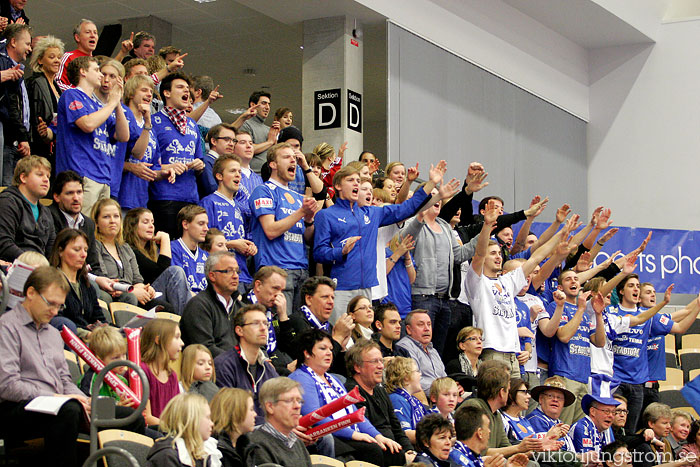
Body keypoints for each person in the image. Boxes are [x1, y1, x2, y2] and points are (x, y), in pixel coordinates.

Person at [314, 162, 451, 323]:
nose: (356, 183)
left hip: (367, 289)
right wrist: (340, 251)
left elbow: (407, 208)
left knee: (363, 339)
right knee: (341, 336)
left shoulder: (372, 213)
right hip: (342, 287)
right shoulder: (326, 215)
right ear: (337, 185)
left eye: (358, 181)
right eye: (351, 180)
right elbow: (318, 253)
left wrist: (431, 184)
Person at [0, 266, 91, 467]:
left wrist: (85, 401)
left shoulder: (52, 333)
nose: (55, 311)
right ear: (31, 293)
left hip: (56, 404)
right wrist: (58, 398)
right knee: (69, 409)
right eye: (50, 303)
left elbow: (64, 379)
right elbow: (7, 386)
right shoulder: (6, 327)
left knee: (126, 416)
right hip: (14, 408)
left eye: (59, 306)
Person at [289, 328, 390, 465]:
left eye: (331, 349)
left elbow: (355, 413)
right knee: (372, 450)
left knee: (391, 451)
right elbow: (315, 417)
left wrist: (378, 435)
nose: (329, 353)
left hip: (345, 434)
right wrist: (353, 434)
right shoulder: (301, 378)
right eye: (323, 348)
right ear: (306, 353)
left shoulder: (334, 379)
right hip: (325, 436)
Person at [56, 55, 129, 215]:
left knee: (98, 232)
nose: (101, 75)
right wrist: (110, 104)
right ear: (83, 72)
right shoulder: (71, 94)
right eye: (96, 70)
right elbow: (87, 124)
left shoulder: (98, 105)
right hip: (81, 174)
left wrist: (116, 103)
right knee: (82, 228)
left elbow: (123, 136)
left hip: (103, 175)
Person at [249, 142, 316, 314]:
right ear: (273, 164)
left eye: (294, 158)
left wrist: (308, 220)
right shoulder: (263, 191)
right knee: (279, 329)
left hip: (302, 269)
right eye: (286, 157)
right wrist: (302, 212)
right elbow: (270, 230)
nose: (293, 161)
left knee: (298, 332)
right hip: (276, 270)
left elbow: (307, 238)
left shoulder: (298, 197)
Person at [148, 72, 205, 237]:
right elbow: (147, 163)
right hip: (164, 197)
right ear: (166, 93)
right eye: (180, 87)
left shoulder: (192, 124)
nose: (186, 91)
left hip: (191, 198)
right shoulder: (153, 122)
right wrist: (168, 167)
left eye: (187, 88)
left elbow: (199, 159)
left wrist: (199, 165)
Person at [93, 199, 173, 311]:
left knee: (166, 308)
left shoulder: (125, 248)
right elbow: (102, 278)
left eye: (116, 216)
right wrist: (131, 290)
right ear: (96, 222)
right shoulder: (95, 246)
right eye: (106, 217)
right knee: (129, 298)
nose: (112, 221)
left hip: (132, 294)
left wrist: (146, 289)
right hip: (114, 294)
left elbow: (137, 279)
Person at [345, 339, 413, 466]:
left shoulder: (380, 390)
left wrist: (409, 450)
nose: (381, 366)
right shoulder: (351, 392)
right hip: (378, 450)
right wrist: (403, 456)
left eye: (381, 361)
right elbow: (365, 430)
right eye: (374, 361)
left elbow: (397, 428)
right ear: (357, 367)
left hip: (395, 449)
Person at [459, 360, 543, 457]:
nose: (509, 393)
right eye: (508, 389)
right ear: (501, 392)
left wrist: (532, 450)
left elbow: (505, 446)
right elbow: (477, 452)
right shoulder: (474, 407)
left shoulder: (497, 414)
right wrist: (518, 448)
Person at [118, 74, 175, 212]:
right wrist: (130, 167)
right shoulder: (122, 117)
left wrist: (164, 173)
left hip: (141, 200)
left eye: (151, 91)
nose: (149, 94)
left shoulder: (150, 129)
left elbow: (153, 168)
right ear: (131, 93)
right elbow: (109, 156)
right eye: (144, 90)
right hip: (120, 197)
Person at [200, 153, 257, 289]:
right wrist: (232, 245)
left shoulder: (238, 206)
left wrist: (250, 247)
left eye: (239, 171)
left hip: (242, 272)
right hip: (221, 273)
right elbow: (203, 242)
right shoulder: (209, 202)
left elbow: (242, 238)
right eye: (232, 171)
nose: (238, 175)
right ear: (219, 176)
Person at [214, 304, 279, 423]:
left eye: (265, 323)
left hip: (267, 434)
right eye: (256, 323)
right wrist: (275, 424)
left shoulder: (268, 369)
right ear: (239, 330)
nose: (263, 328)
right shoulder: (224, 365)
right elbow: (231, 416)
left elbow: (281, 405)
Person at [279, 275, 354, 376]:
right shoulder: (298, 321)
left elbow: (337, 370)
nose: (331, 302)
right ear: (309, 299)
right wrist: (338, 338)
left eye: (332, 298)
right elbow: (315, 361)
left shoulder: (329, 327)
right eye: (325, 297)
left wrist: (342, 349)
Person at [122, 207, 192, 315]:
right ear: (132, 226)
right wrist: (165, 239)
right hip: (142, 297)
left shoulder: (150, 252)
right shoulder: (130, 250)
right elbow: (162, 272)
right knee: (175, 272)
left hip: (155, 294)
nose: (151, 226)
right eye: (145, 222)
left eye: (152, 222)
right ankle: (186, 324)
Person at [181, 251, 243, 357]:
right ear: (212, 276)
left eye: (237, 271)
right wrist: (239, 361)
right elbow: (205, 348)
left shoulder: (241, 308)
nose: (235, 276)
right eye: (228, 271)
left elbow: (255, 343)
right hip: (213, 369)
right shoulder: (198, 305)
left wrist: (262, 358)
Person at [48, 228, 105, 337]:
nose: (83, 255)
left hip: (94, 339)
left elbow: (99, 318)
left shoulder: (87, 286)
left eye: (85, 250)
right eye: (77, 249)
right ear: (60, 251)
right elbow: (57, 321)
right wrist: (88, 334)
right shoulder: (52, 282)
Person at [245, 377, 312, 467]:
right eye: (289, 401)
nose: (297, 406)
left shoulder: (297, 442)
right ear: (270, 407)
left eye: (299, 401)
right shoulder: (257, 445)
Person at [0, 155, 55, 261]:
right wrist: (33, 264)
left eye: (48, 176)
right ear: (23, 177)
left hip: (39, 271)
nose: (46, 180)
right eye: (40, 175)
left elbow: (51, 251)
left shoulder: (47, 213)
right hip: (12, 267)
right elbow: (4, 243)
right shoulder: (7, 202)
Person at [145, 393, 222, 467]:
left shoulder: (203, 452)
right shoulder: (166, 456)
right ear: (192, 420)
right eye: (207, 418)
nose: (212, 424)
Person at [242, 266, 294, 373]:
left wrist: (283, 316)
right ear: (258, 285)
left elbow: (290, 349)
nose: (279, 295)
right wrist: (285, 369)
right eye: (275, 288)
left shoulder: (273, 310)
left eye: (282, 291)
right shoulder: (243, 308)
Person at [49, 170, 101, 274]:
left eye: (79, 192)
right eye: (69, 193)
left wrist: (102, 280)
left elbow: (93, 263)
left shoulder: (88, 223)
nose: (76, 198)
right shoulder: (48, 216)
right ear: (56, 197)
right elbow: (53, 259)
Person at [0, 23, 32, 185]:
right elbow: (11, 107)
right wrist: (21, 136)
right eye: (27, 44)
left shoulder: (15, 68)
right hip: (7, 139)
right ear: (13, 42)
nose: (30, 49)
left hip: (13, 140)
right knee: (5, 191)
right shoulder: (4, 64)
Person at [451, 405, 529, 467]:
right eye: (488, 427)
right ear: (480, 433)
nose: (489, 431)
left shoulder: (472, 457)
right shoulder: (457, 460)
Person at [140, 318, 184, 427]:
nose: (182, 343)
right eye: (177, 337)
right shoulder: (141, 371)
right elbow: (147, 418)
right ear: (158, 340)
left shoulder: (172, 375)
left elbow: (177, 414)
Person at [26, 35, 63, 162]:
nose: (57, 60)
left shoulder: (57, 87)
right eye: (51, 57)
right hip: (40, 146)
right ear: (40, 60)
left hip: (54, 144)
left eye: (59, 57)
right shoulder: (36, 82)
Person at [396, 310, 447, 393]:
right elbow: (415, 380)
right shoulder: (405, 347)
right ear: (408, 329)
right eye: (421, 324)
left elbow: (444, 377)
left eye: (429, 324)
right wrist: (444, 390)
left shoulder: (433, 351)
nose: (426, 329)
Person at [569, 377, 619, 455]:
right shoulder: (581, 428)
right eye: (607, 411)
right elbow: (590, 461)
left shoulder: (608, 430)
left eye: (613, 412)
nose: (611, 416)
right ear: (593, 411)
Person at [525, 376, 575, 452]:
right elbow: (544, 452)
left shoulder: (559, 422)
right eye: (550, 396)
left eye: (559, 397)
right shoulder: (535, 419)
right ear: (541, 399)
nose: (555, 400)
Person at [386, 357, 428, 444]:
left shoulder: (414, 400)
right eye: (416, 371)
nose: (420, 374)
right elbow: (405, 434)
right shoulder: (397, 400)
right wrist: (435, 437)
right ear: (406, 377)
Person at [210, 388, 257, 467]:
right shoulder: (212, 447)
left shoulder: (245, 445)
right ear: (236, 412)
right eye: (251, 409)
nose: (255, 414)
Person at [171, 204, 209, 294]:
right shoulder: (171, 249)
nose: (206, 229)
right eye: (201, 224)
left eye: (207, 224)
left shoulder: (206, 256)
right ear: (185, 224)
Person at [239, 90, 277, 172]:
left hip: (269, 175)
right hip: (253, 174)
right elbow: (247, 149)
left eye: (269, 104)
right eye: (264, 103)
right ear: (253, 105)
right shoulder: (245, 124)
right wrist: (269, 142)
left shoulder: (268, 129)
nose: (267, 107)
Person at [57, 19, 98, 91]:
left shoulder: (96, 63)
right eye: (88, 32)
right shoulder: (68, 57)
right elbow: (58, 83)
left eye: (95, 33)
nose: (93, 35)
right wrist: (79, 94)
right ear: (77, 37)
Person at [199, 123, 237, 197]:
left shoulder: (227, 165)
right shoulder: (205, 161)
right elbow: (212, 189)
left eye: (234, 140)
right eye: (227, 139)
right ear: (214, 141)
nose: (231, 144)